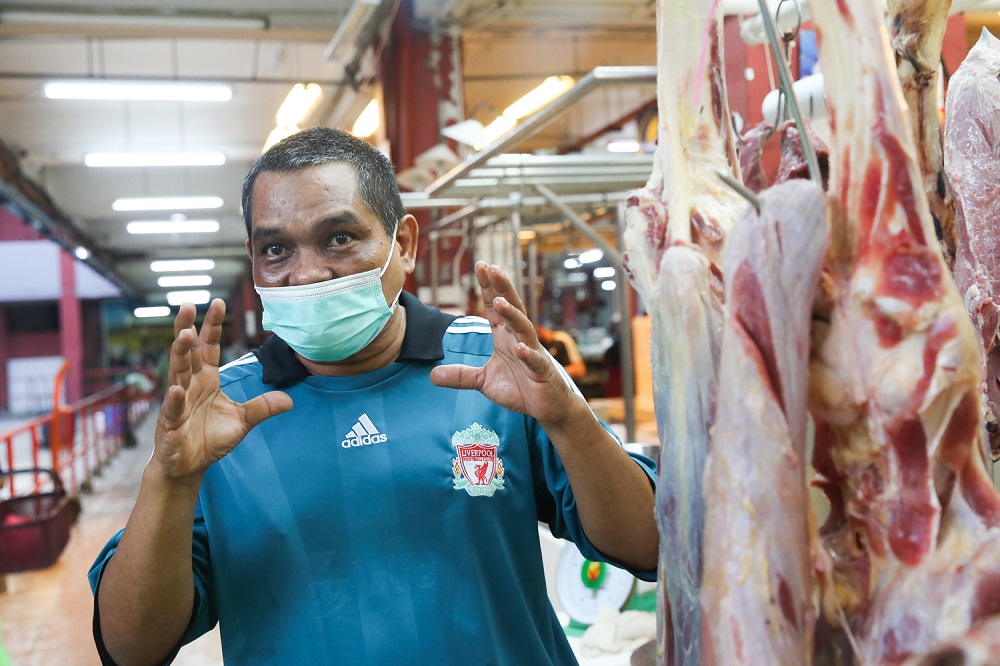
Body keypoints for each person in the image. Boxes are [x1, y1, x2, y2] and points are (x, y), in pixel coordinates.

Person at [88, 127, 658, 665]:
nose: (306, 274)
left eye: (339, 238)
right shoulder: (219, 418)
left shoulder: (498, 372)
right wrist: (170, 479)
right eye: (276, 250)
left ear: (403, 244)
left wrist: (568, 417)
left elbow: (651, 545)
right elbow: (130, 649)